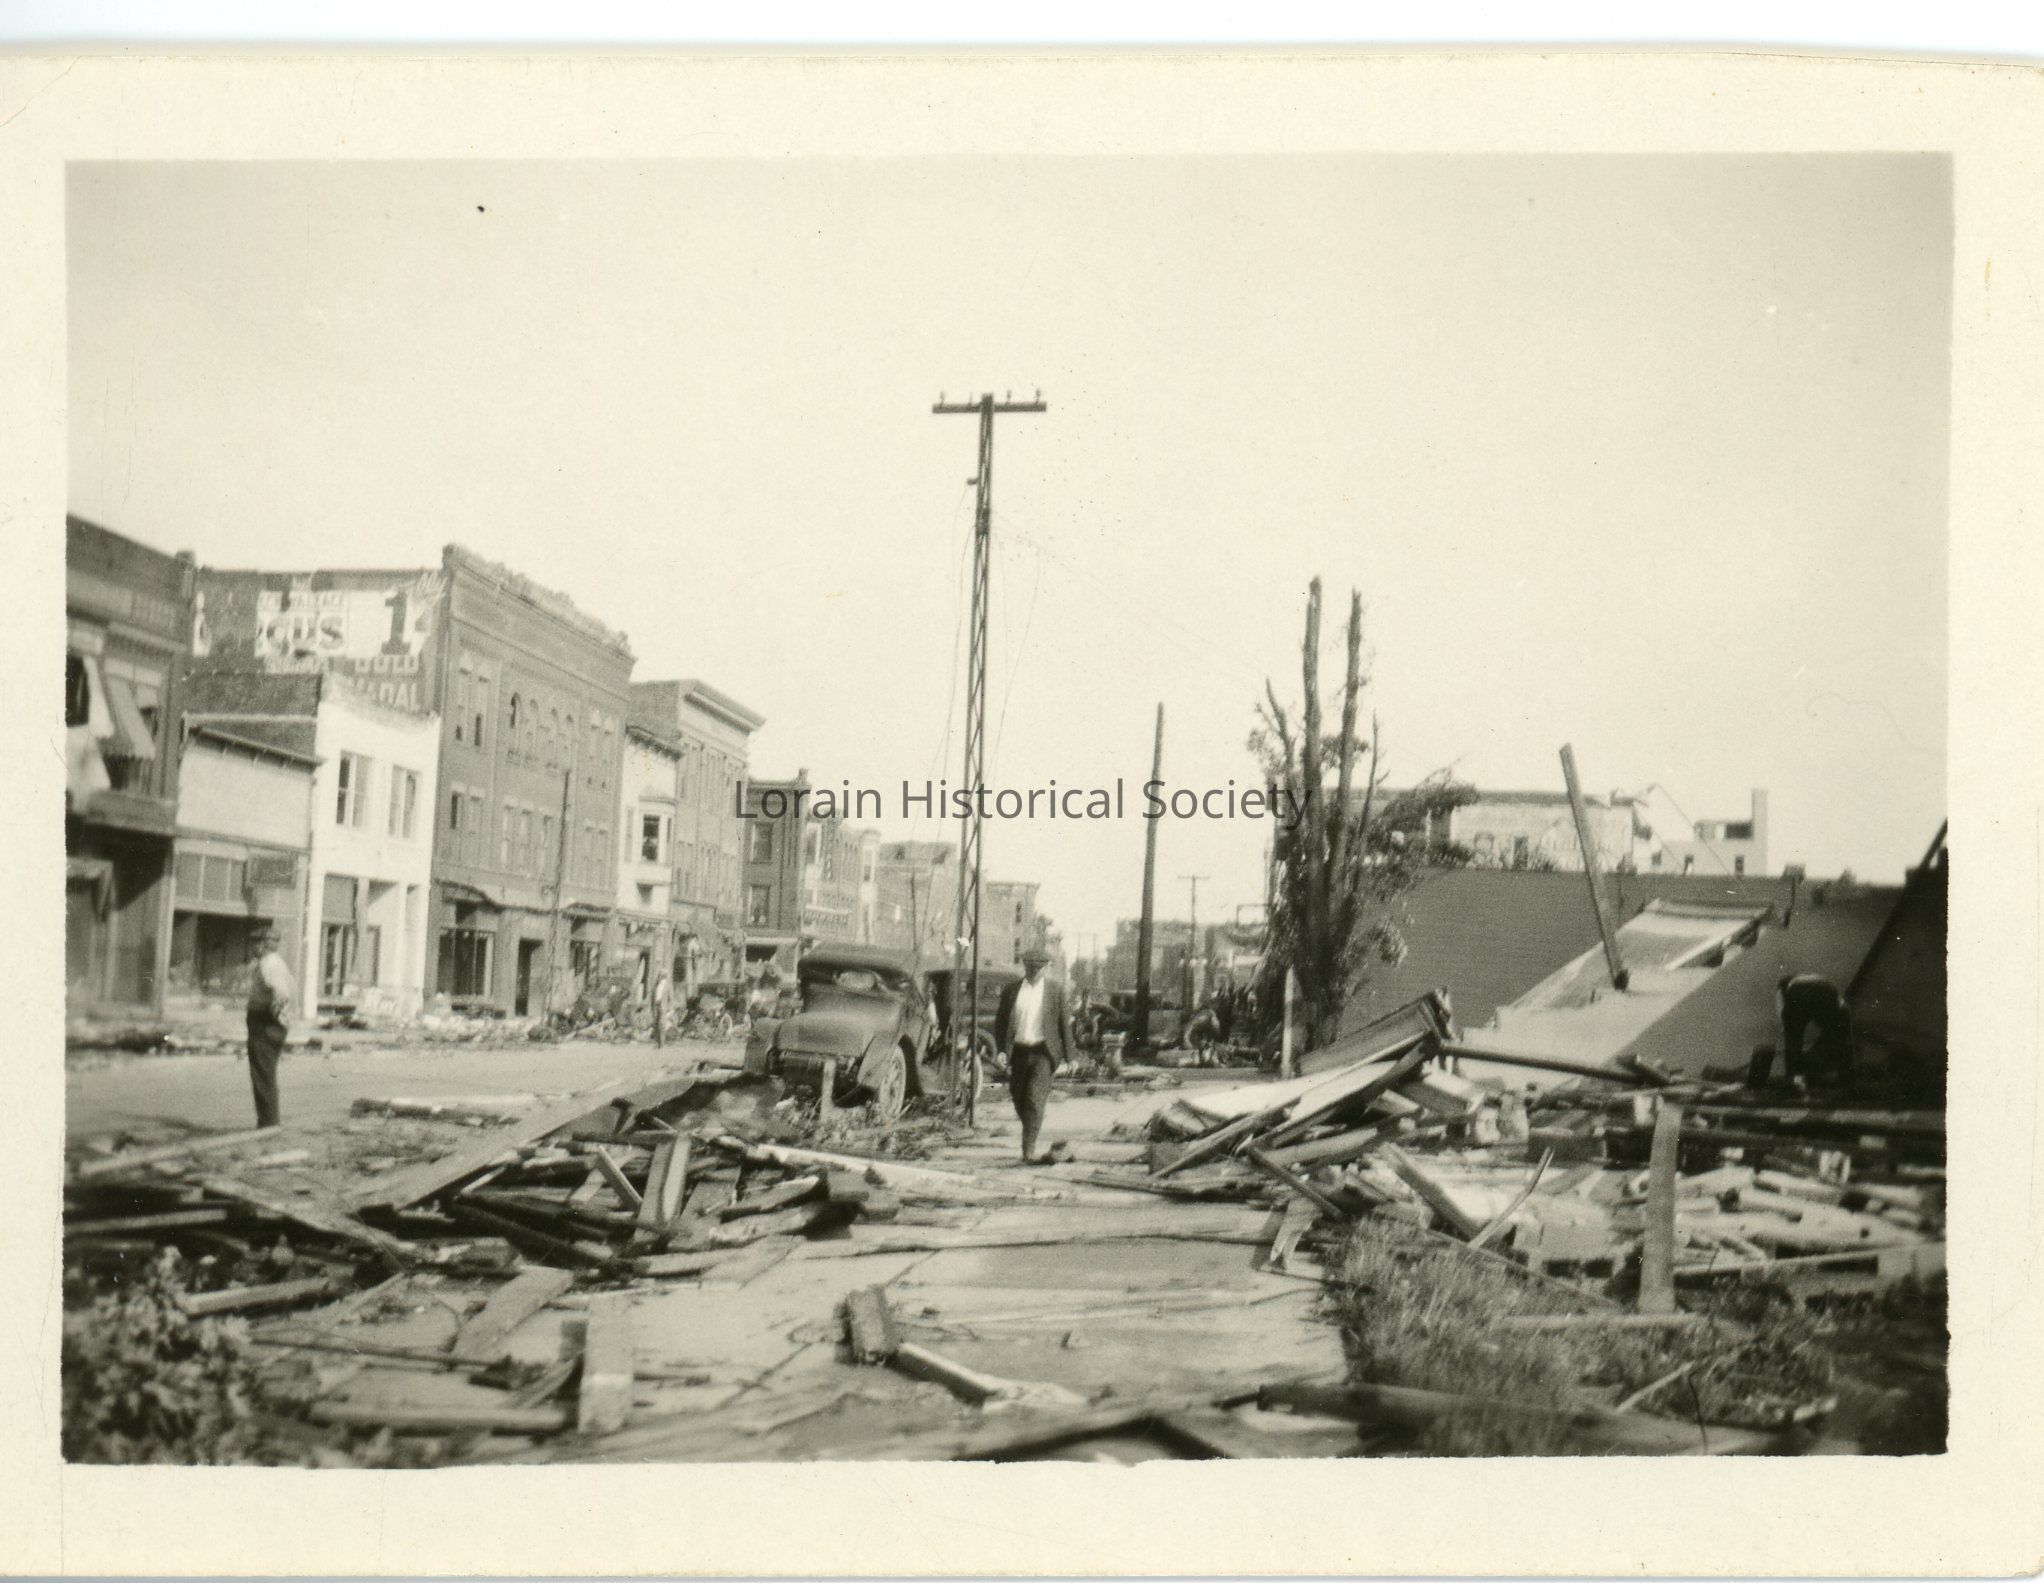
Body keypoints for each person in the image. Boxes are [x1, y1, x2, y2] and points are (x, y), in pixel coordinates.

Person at [994, 946, 1075, 1164]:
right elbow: (1001, 1022)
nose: (1035, 972)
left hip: (1043, 1053)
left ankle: (1027, 1150)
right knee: (1018, 1097)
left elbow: (1064, 1025)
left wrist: (1071, 1057)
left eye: (1039, 968)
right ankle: (1032, 1125)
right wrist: (1001, 1050)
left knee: (1034, 1099)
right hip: (1019, 1052)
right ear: (1025, 967)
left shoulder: (1055, 991)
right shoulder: (1011, 991)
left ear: (1046, 968)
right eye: (1031, 967)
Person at [245, 925, 296, 1129]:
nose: (253, 947)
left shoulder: (269, 964)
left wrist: (271, 1018)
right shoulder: (275, 963)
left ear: (265, 944)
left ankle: (268, 1123)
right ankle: (268, 1122)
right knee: (264, 1073)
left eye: (256, 943)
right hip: (269, 1025)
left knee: (263, 1074)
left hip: (265, 1025)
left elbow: (282, 994)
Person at [1777, 973, 1856, 1087]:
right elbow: (1842, 1007)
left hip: (1800, 993)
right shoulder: (1815, 978)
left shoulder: (1788, 986)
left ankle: (1793, 1077)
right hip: (1826, 993)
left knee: (1793, 1040)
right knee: (1835, 1037)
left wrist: (1787, 1028)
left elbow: (1784, 1011)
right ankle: (1845, 1078)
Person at [651, 968, 672, 1047]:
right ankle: (657, 1042)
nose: (659, 976)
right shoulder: (657, 985)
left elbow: (671, 997)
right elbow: (653, 995)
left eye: (661, 975)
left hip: (663, 1006)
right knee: (656, 1023)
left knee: (662, 1024)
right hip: (656, 1005)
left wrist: (670, 1008)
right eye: (660, 975)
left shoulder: (668, 985)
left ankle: (662, 1042)